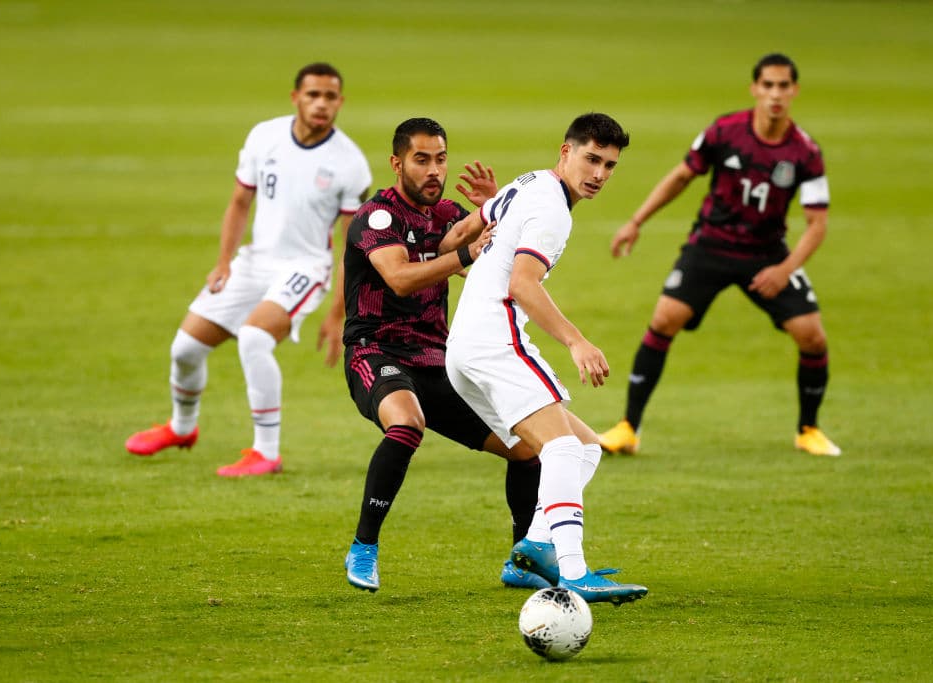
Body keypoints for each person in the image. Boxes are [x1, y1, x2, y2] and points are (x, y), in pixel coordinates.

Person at [125, 62, 373, 476]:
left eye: (330, 97)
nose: (321, 104)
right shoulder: (264, 137)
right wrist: (223, 262)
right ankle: (183, 428)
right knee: (184, 350)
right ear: (295, 97)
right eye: (313, 95)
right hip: (254, 262)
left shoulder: (349, 163)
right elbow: (240, 201)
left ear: (340, 103)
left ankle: (266, 452)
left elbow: (353, 244)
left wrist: (338, 312)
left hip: (305, 269)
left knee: (254, 339)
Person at [446, 113, 648, 605]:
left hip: (464, 349)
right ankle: (574, 571)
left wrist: (481, 248)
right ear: (566, 151)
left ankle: (532, 550)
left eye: (610, 165)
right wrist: (577, 341)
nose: (599, 174)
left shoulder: (528, 181)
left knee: (585, 447)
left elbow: (452, 240)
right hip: (496, 341)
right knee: (559, 449)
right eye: (591, 159)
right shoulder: (553, 209)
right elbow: (521, 284)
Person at [598, 53, 841, 457]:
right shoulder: (725, 131)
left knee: (812, 336)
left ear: (794, 91)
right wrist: (636, 221)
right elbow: (681, 176)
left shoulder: (805, 152)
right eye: (768, 85)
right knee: (664, 320)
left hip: (766, 255)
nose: (776, 94)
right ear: (755, 89)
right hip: (710, 245)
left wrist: (784, 270)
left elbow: (817, 224)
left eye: (784, 86)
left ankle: (808, 430)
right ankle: (628, 427)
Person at [341, 117, 546, 593]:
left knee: (527, 448)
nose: (434, 170)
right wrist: (466, 254)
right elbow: (401, 277)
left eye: (440, 159)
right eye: (421, 160)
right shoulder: (377, 218)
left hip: (438, 358)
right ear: (396, 163)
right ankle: (364, 547)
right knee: (406, 423)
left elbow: (470, 244)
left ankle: (523, 560)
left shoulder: (448, 213)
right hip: (376, 350)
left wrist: (493, 210)